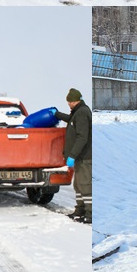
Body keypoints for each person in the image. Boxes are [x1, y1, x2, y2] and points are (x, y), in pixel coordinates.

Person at [54, 88, 92, 224]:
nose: (68, 104)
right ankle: (80, 211)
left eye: (69, 102)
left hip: (84, 157)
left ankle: (90, 214)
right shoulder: (78, 112)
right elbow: (70, 119)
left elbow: (82, 137)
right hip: (79, 157)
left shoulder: (82, 113)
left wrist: (73, 155)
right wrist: (57, 114)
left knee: (85, 185)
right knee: (78, 185)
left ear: (74, 101)